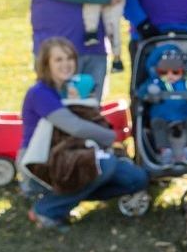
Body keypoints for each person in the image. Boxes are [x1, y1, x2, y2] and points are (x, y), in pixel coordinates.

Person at [21, 38, 151, 231]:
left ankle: (68, 195)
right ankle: (47, 209)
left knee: (137, 178)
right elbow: (74, 126)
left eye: (69, 58)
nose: (66, 64)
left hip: (74, 153)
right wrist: (110, 136)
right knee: (101, 165)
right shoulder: (40, 92)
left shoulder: (72, 89)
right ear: (46, 64)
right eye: (58, 60)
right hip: (42, 160)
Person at [140, 48, 187, 165]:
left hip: (186, 114)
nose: (170, 76)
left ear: (183, 71)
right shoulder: (156, 82)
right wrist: (149, 92)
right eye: (164, 72)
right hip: (162, 116)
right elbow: (141, 93)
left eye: (175, 72)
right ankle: (164, 150)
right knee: (157, 124)